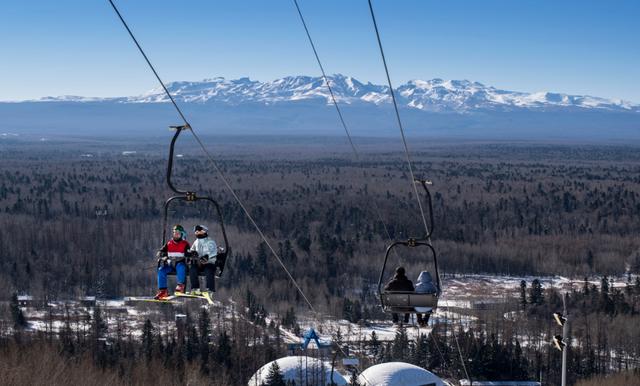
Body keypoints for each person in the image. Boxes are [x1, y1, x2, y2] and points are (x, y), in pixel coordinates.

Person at [154, 224, 190, 300]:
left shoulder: (185, 244)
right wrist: (162, 254)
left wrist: (189, 254)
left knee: (181, 266)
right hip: (170, 265)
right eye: (174, 232)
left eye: (178, 233)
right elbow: (160, 251)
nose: (176, 234)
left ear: (181, 234)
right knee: (161, 270)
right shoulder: (169, 243)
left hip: (180, 263)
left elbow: (188, 253)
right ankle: (163, 291)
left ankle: (180, 286)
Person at [188, 224, 218, 295]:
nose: (197, 233)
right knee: (192, 269)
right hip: (199, 263)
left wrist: (207, 256)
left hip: (209, 263)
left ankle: (210, 289)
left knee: (209, 270)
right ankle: (195, 288)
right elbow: (192, 249)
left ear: (203, 231)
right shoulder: (196, 241)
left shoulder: (210, 242)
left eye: (198, 232)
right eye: (196, 232)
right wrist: (193, 252)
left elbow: (214, 252)